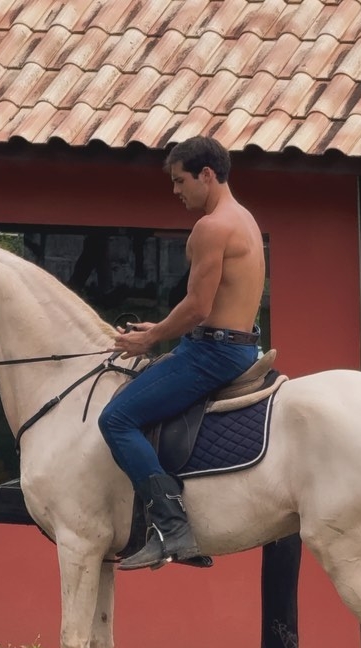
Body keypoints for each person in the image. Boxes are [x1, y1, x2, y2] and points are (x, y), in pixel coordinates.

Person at [98, 135, 266, 571]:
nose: (176, 191)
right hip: (241, 345)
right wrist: (163, 326)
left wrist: (148, 340)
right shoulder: (244, 218)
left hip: (213, 354)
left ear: (206, 175)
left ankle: (172, 526)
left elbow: (198, 307)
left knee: (115, 418)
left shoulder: (210, 227)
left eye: (180, 181)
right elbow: (211, 305)